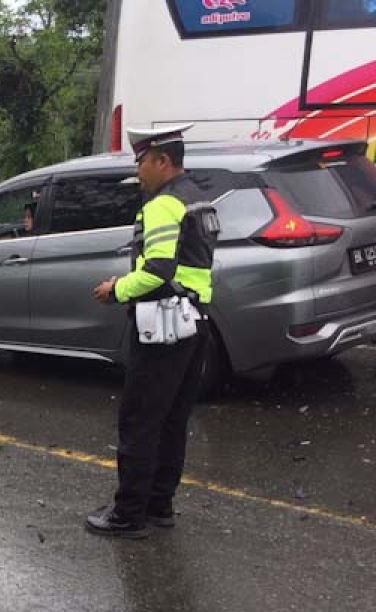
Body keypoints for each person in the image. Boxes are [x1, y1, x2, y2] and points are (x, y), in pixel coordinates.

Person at [86, 123, 218, 539]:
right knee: (171, 421)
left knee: (140, 421)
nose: (138, 169)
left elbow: (159, 271)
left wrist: (117, 289)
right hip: (194, 321)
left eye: (141, 161)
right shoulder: (199, 198)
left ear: (162, 160)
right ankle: (160, 506)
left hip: (162, 326)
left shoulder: (163, 205)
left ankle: (127, 516)